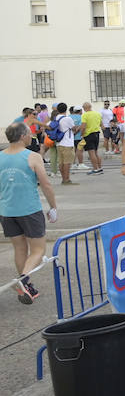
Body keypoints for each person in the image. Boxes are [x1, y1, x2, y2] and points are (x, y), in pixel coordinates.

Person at [1, 122, 58, 303]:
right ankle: (23, 279)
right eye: (28, 133)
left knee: (19, 248)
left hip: (7, 210)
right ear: (22, 136)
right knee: (38, 250)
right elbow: (46, 184)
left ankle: (26, 287)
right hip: (29, 209)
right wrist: (53, 207)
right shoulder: (32, 157)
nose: (30, 136)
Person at [79, 102, 104, 175]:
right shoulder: (97, 114)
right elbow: (102, 125)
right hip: (97, 134)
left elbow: (83, 126)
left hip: (88, 135)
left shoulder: (84, 115)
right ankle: (99, 168)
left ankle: (95, 169)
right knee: (96, 152)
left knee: (91, 153)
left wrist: (82, 134)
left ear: (84, 108)